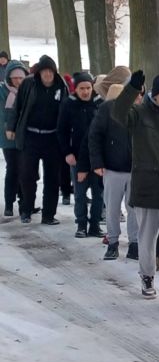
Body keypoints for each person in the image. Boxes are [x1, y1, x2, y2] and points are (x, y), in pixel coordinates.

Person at [112, 71, 159, 310]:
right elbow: (118, 113)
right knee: (147, 242)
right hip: (147, 190)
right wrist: (133, 88)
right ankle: (147, 275)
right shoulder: (139, 114)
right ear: (154, 96)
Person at [7, 55, 70, 225]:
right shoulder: (29, 84)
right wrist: (11, 127)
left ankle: (48, 215)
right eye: (44, 71)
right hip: (31, 136)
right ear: (40, 72)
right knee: (27, 175)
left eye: (50, 71)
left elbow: (67, 112)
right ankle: (26, 209)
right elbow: (17, 106)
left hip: (52, 137)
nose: (47, 74)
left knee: (52, 178)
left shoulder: (61, 87)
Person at [89, 81, 140, 261]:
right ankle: (112, 242)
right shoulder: (107, 109)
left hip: (136, 169)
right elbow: (95, 135)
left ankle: (135, 243)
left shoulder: (139, 111)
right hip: (112, 167)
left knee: (134, 208)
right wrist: (97, 162)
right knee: (112, 207)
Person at [57, 72, 104, 238]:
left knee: (99, 194)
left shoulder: (99, 104)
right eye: (81, 88)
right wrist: (67, 152)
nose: (85, 92)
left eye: (88, 88)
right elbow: (61, 131)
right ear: (75, 89)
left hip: (97, 157)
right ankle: (81, 224)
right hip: (76, 156)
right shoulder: (68, 104)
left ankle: (95, 224)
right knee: (80, 193)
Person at [1, 60, 27, 216]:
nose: (17, 81)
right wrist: (7, 126)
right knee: (12, 169)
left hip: (24, 137)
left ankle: (25, 202)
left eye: (20, 78)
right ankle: (9, 203)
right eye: (14, 78)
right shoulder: (2, 92)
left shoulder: (28, 90)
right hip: (8, 138)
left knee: (25, 170)